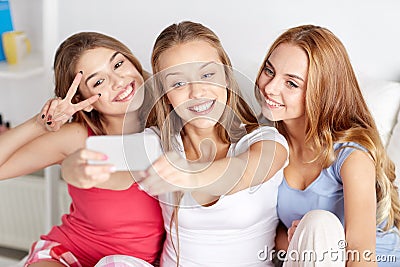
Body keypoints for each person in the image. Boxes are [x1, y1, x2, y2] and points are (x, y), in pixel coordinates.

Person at [91, 21, 288, 267]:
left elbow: (241, 172)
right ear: (166, 95)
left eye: (207, 75)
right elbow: (93, 160)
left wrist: (189, 174)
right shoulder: (158, 144)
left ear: (226, 75)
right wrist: (74, 158)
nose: (197, 92)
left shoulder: (267, 142)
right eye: (178, 83)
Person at [0, 32, 164, 266]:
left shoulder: (170, 120)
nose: (118, 81)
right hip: (69, 253)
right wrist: (39, 123)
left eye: (118, 64)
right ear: (81, 99)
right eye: (99, 82)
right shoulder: (77, 137)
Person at [255, 24, 400, 266]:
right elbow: (272, 232)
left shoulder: (351, 156)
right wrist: (301, 239)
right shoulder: (267, 143)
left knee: (319, 221)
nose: (270, 88)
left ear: (322, 93)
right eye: (269, 71)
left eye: (291, 83)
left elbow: (361, 253)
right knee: (315, 225)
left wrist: (317, 236)